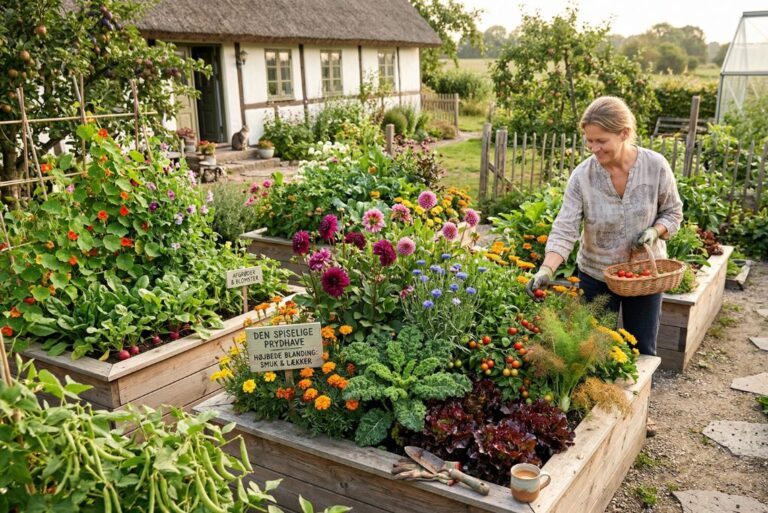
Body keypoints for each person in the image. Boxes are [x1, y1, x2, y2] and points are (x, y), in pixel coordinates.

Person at [526, 96, 683, 357]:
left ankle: (638, 398)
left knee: (641, 350)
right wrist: (546, 269)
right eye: (589, 140)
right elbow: (566, 228)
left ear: (624, 133)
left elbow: (673, 212)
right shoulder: (582, 177)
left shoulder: (655, 167)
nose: (594, 148)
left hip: (644, 275)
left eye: (601, 141)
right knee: (593, 353)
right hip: (596, 276)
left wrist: (655, 231)